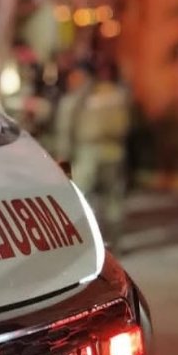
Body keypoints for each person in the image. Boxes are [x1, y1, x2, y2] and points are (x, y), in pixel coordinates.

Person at [53, 60, 131, 247]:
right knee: (114, 202)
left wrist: (63, 155)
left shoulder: (79, 96)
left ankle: (90, 244)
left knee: (83, 199)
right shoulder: (115, 93)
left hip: (89, 152)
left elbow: (66, 126)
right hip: (115, 152)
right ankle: (115, 243)